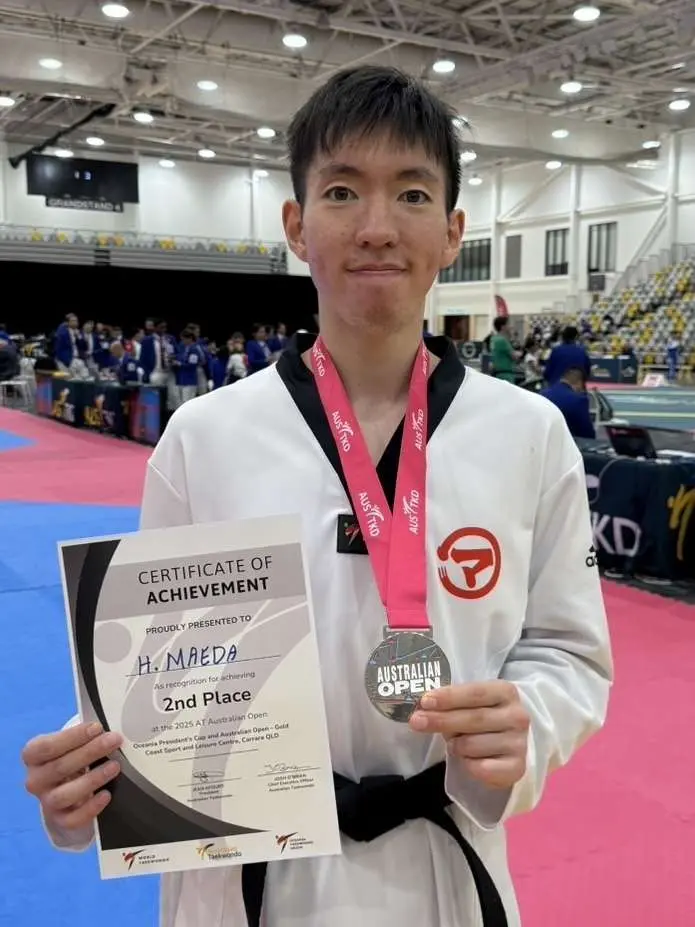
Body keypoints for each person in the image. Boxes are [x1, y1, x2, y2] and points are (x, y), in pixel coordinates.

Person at [22, 65, 612, 927]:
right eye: (341, 191)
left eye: (411, 193)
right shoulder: (204, 436)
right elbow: (161, 670)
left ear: (452, 232)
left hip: (442, 863)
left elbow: (569, 650)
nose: (376, 226)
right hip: (248, 873)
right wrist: (91, 784)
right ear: (296, 226)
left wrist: (530, 720)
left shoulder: (528, 434)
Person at [540, 367, 596, 440]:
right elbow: (587, 432)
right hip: (566, 442)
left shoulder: (542, 394)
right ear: (579, 383)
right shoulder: (579, 400)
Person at [488, 316, 516, 382]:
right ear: (503, 327)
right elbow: (514, 357)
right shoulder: (503, 340)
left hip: (497, 373)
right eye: (508, 324)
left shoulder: (493, 339)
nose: (510, 327)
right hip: (506, 374)